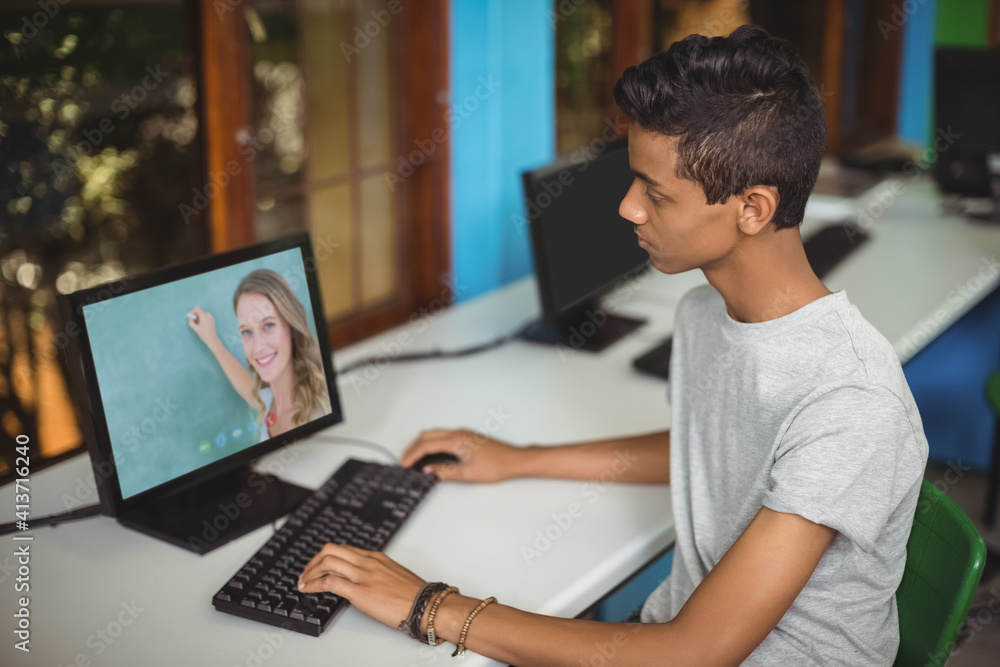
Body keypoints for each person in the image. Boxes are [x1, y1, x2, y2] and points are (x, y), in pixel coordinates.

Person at [297, 25, 928, 666]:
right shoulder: (706, 313)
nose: (628, 208)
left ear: (755, 208)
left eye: (655, 193)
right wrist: (520, 458)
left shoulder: (851, 402)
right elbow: (715, 449)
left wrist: (430, 607)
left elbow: (692, 654)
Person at [189, 268, 331, 441]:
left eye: (268, 325)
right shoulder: (270, 400)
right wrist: (212, 341)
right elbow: (248, 390)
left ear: (292, 326)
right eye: (247, 332)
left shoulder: (321, 412)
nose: (257, 347)